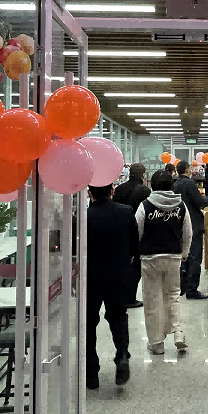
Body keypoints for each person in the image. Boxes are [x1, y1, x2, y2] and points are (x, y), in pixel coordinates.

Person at [86, 183, 138, 389]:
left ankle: (91, 372)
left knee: (89, 321)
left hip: (91, 276)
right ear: (112, 190)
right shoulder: (126, 212)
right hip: (118, 274)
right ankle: (122, 354)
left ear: (89, 193)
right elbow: (134, 244)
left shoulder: (84, 216)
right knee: (118, 316)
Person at [135, 170, 192, 353]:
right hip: (173, 257)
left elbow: (136, 231)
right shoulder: (181, 206)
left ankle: (156, 343)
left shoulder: (145, 206)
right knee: (173, 295)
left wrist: (136, 251)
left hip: (150, 258)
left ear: (152, 185)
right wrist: (185, 253)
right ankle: (178, 332)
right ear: (171, 185)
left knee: (152, 299)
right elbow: (188, 233)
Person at [173, 160, 208, 299]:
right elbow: (199, 202)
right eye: (190, 168)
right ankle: (192, 289)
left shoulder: (175, 184)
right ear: (187, 170)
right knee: (195, 257)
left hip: (180, 223)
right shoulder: (189, 183)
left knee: (184, 256)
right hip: (193, 223)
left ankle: (183, 285)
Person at [113, 163, 151, 308]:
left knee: (121, 264)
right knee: (136, 267)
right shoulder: (145, 191)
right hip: (137, 231)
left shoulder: (120, 189)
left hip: (119, 230)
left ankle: (119, 294)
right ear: (143, 175)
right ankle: (130, 297)